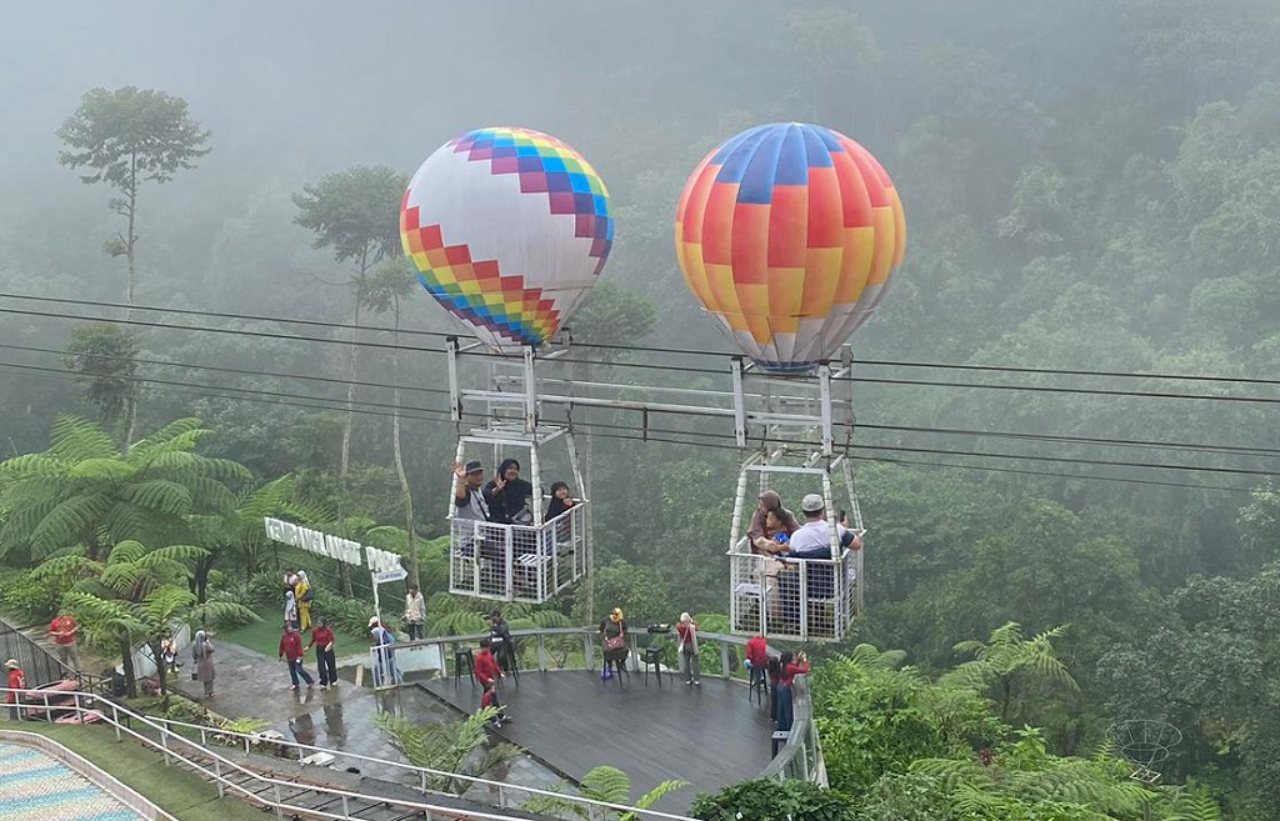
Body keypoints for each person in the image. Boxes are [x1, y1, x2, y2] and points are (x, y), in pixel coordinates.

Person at [483, 458, 535, 525]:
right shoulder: (493, 484)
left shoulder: (521, 485)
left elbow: (538, 491)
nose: (513, 471)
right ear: (503, 470)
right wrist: (497, 489)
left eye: (516, 469)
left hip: (517, 523)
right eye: (510, 468)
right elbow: (485, 496)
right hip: (497, 524)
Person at [747, 491, 799, 555]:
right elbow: (757, 539)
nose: (759, 507)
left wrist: (786, 545)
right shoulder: (758, 515)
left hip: (786, 551)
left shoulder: (787, 515)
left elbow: (797, 534)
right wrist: (769, 544)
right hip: (764, 554)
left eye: (762, 505)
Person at [474, 638, 510, 727]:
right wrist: (486, 679)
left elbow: (494, 664)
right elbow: (478, 671)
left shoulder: (489, 654)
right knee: (491, 699)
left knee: (490, 699)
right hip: (486, 682)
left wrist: (499, 673)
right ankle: (493, 718)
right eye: (485, 648)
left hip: (491, 679)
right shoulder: (479, 657)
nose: (487, 649)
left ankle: (497, 716)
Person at [775, 650, 811, 732]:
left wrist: (798, 659)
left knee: (782, 709)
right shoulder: (790, 668)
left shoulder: (785, 665)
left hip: (780, 686)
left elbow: (794, 666)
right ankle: (790, 730)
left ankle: (781, 727)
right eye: (793, 656)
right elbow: (805, 670)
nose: (794, 657)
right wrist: (805, 660)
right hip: (785, 689)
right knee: (788, 710)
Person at [278, 623, 314, 691]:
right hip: (289, 657)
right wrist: (281, 654)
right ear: (286, 629)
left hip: (297, 657)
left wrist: (300, 655)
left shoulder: (296, 635)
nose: (290, 628)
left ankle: (310, 681)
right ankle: (295, 683)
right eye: (288, 627)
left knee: (299, 669)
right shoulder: (284, 636)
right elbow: (282, 645)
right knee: (292, 671)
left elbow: (299, 646)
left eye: (291, 627)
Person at [598, 607, 629, 685]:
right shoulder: (606, 620)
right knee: (608, 652)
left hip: (618, 642)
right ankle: (609, 665)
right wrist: (603, 636)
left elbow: (625, 630)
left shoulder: (621, 622)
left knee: (625, 650)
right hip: (608, 641)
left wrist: (622, 635)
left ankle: (621, 663)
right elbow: (601, 629)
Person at [369, 617, 402, 687]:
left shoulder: (379, 631)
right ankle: (398, 681)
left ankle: (380, 685)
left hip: (385, 656)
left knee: (378, 671)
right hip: (389, 655)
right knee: (393, 669)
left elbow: (380, 640)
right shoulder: (384, 631)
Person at [307, 617, 338, 690]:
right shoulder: (315, 631)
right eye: (318, 623)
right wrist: (308, 646)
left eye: (320, 623)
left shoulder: (328, 630)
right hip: (319, 649)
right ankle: (323, 681)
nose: (318, 624)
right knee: (321, 666)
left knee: (331, 665)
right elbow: (313, 639)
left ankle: (333, 679)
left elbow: (332, 640)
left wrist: (329, 646)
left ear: (323, 623)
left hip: (328, 649)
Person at [488, 610, 516, 676]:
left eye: (495, 618)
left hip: (504, 643)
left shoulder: (503, 623)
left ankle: (505, 669)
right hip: (494, 643)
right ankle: (491, 669)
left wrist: (493, 627)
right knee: (487, 654)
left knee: (501, 656)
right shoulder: (493, 624)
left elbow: (502, 631)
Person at [676, 612, 701, 686]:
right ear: (688, 619)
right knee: (695, 662)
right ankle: (696, 680)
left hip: (685, 645)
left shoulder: (679, 627)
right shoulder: (691, 627)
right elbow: (698, 628)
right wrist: (692, 621)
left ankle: (688, 679)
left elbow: (677, 626)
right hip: (692, 645)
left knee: (686, 663)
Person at [192, 630, 215, 699]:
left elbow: (194, 655)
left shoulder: (194, 645)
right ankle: (210, 692)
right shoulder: (205, 645)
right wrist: (208, 642)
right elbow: (212, 649)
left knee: (205, 679)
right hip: (208, 663)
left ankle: (206, 692)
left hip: (200, 664)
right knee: (210, 679)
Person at [745, 634, 768, 698]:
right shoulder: (763, 641)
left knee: (746, 663)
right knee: (758, 666)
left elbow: (749, 656)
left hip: (756, 663)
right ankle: (761, 676)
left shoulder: (750, 642)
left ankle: (755, 678)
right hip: (764, 663)